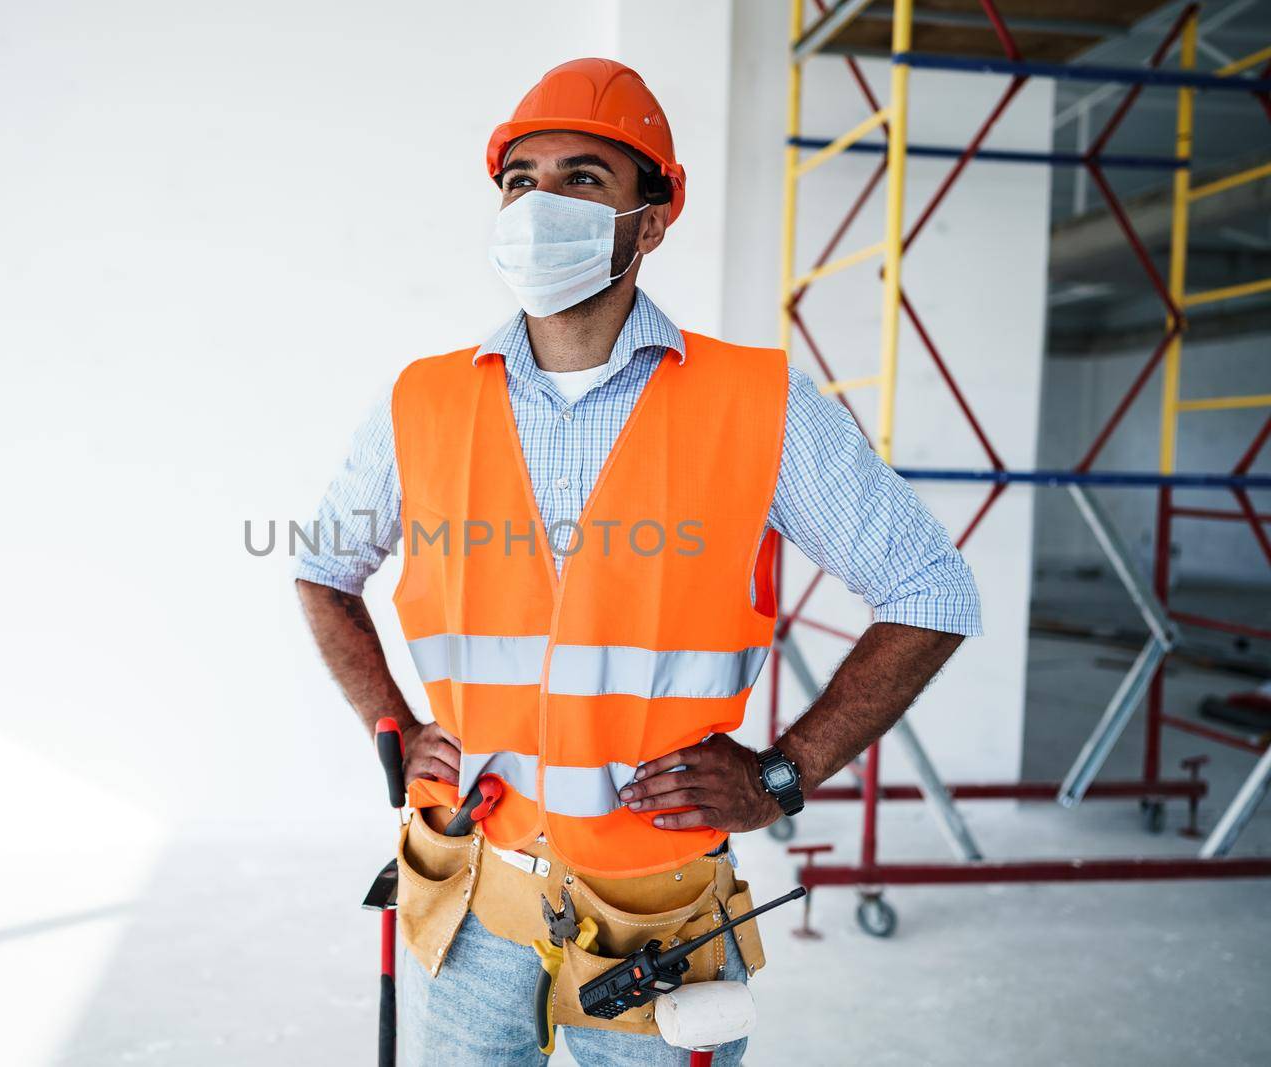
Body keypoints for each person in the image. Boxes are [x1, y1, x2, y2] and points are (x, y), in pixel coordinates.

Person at [294, 58, 981, 1066]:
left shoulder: (757, 404)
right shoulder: (422, 401)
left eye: (582, 178)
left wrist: (783, 772)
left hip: (660, 914)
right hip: (471, 890)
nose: (539, 204)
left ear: (653, 217)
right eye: (519, 179)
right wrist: (391, 726)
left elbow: (930, 590)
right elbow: (322, 567)